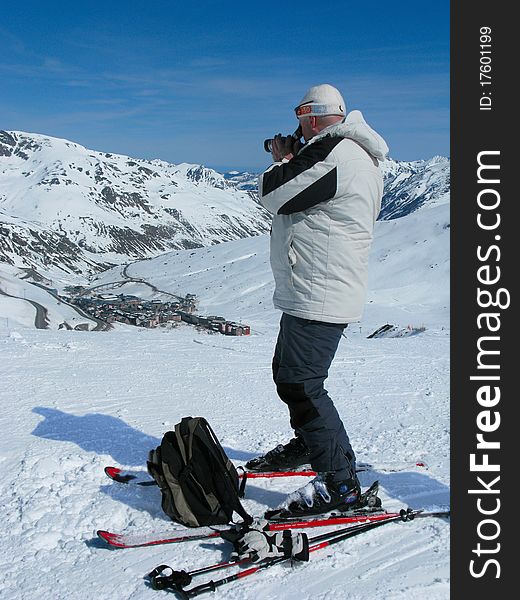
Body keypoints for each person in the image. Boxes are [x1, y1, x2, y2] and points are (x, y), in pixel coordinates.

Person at [246, 84, 389, 518]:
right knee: (289, 376)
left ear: (309, 117)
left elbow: (274, 194)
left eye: (299, 118)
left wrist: (284, 159)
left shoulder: (337, 153)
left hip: (321, 289)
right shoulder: (339, 152)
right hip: (311, 286)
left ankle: (340, 485)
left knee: (303, 384)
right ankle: (313, 446)